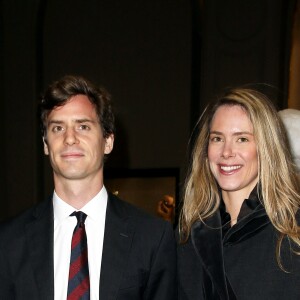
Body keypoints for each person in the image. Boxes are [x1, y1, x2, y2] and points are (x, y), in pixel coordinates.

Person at [0, 75, 177, 299]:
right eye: (57, 128)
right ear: (46, 144)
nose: (70, 138)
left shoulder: (152, 238)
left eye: (83, 126)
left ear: (108, 141)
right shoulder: (9, 241)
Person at [177, 88, 300, 299]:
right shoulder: (189, 237)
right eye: (217, 138)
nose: (226, 152)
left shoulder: (292, 232)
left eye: (241, 139)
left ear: (266, 147)